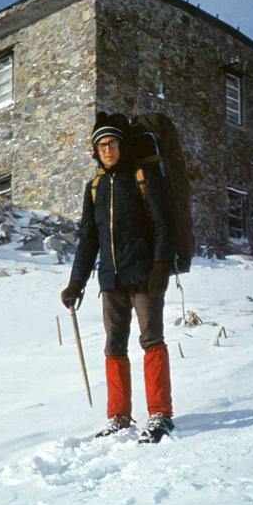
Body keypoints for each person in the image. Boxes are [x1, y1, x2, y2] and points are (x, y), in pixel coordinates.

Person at [61, 111, 176, 444]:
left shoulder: (142, 176)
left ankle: (160, 414)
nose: (107, 150)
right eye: (101, 145)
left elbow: (164, 224)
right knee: (114, 345)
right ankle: (119, 416)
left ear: (122, 146)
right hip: (111, 280)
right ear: (95, 151)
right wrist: (76, 283)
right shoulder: (95, 187)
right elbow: (89, 240)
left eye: (111, 143)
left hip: (144, 276)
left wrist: (160, 267)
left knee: (151, 339)